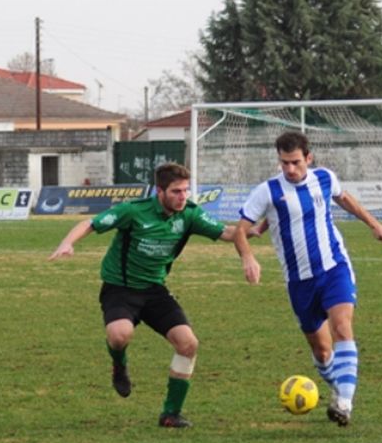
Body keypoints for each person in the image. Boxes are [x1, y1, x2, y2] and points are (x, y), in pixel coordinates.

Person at [48, 162, 249, 428]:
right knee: (120, 335)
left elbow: (227, 232)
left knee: (188, 344)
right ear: (160, 191)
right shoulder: (134, 211)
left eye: (186, 191)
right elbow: (91, 223)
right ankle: (119, 365)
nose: (182, 197)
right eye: (176, 191)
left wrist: (251, 231)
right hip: (120, 288)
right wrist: (67, 242)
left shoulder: (188, 215)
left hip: (155, 291)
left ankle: (170, 414)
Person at [232, 131, 382, 427]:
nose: (290, 169)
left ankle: (345, 402)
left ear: (308, 158)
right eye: (284, 163)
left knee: (342, 328)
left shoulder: (324, 178)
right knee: (322, 352)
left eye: (296, 162)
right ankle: (338, 388)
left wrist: (375, 224)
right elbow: (241, 229)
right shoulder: (267, 191)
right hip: (299, 281)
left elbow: (344, 198)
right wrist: (248, 256)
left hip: (334, 267)